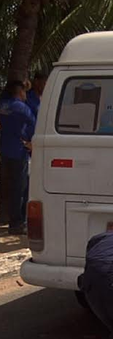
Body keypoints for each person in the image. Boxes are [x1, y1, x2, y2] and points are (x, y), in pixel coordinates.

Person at [0, 81, 36, 235]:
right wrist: (30, 143)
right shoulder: (22, 108)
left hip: (4, 151)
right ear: (20, 92)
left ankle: (8, 218)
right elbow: (34, 126)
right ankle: (17, 224)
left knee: (8, 187)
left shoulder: (3, 106)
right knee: (20, 188)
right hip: (18, 151)